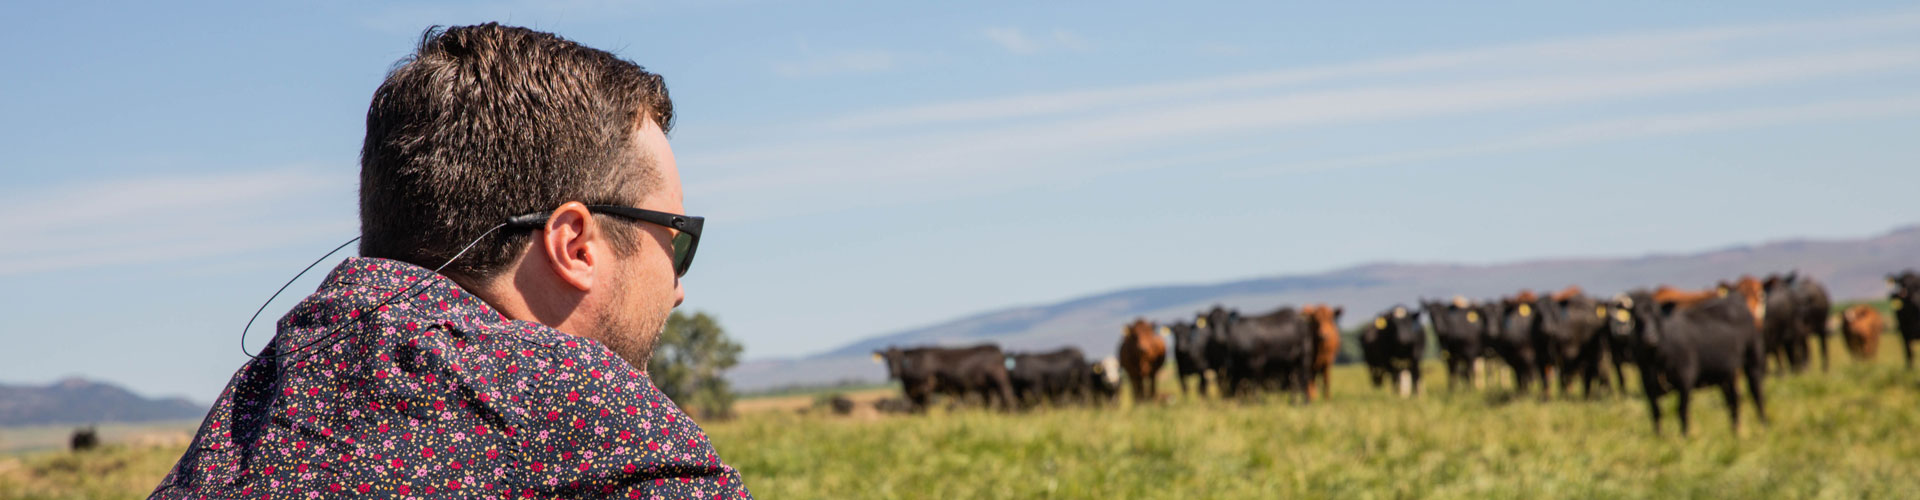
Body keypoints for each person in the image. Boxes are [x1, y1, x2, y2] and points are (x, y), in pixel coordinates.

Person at [150, 24, 750, 499]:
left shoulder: (245, 417)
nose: (676, 287)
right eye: (676, 236)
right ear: (575, 245)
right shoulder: (584, 410)